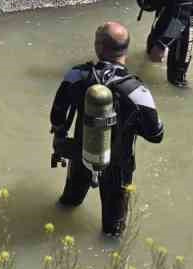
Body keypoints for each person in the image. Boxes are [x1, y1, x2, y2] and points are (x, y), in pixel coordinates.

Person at [50, 22, 164, 237]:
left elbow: (57, 115)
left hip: (81, 155)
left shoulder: (77, 75)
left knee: (68, 204)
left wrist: (60, 138)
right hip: (118, 167)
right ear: (126, 49)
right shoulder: (137, 91)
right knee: (113, 232)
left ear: (98, 46)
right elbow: (156, 135)